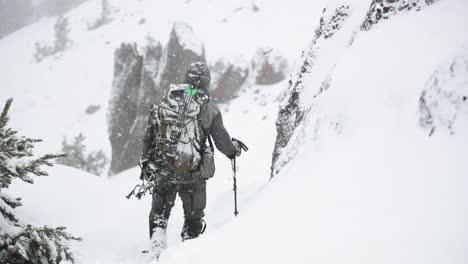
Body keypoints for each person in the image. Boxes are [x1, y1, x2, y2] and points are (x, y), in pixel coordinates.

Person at [140, 62, 244, 257]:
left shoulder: (170, 98)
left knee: (159, 215)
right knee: (193, 218)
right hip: (192, 174)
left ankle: (157, 248)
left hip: (164, 169)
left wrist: (147, 161)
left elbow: (152, 131)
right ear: (207, 81)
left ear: (186, 78)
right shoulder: (209, 108)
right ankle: (187, 254)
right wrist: (233, 151)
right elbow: (221, 140)